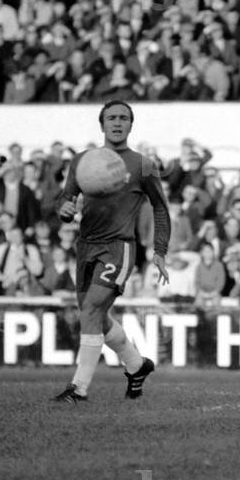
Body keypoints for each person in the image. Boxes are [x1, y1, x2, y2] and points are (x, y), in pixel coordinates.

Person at [52, 101, 171, 403]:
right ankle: (136, 365)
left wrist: (159, 249)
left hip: (119, 246)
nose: (117, 123)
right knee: (93, 314)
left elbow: (160, 207)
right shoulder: (82, 160)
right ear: (101, 124)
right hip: (86, 245)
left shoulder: (144, 164)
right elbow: (66, 201)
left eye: (123, 118)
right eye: (111, 118)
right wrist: (65, 210)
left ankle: (78, 388)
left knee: (91, 309)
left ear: (131, 125)